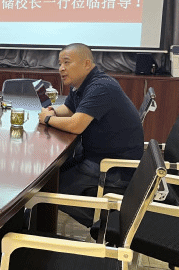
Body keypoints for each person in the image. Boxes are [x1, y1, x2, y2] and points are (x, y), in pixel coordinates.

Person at [38, 43, 143, 227]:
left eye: (67, 62)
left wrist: (47, 119)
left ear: (86, 63)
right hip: (94, 156)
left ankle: (102, 225)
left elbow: (76, 125)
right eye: (60, 63)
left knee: (46, 185)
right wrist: (52, 111)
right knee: (49, 174)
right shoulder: (80, 84)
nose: (61, 68)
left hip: (113, 169)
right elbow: (69, 109)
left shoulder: (101, 87)